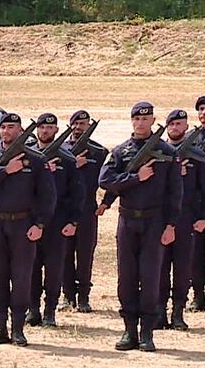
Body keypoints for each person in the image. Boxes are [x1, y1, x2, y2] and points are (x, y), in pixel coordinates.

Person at [99, 101, 182, 352]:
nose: (140, 123)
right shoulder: (122, 151)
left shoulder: (166, 152)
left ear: (152, 120)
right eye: (136, 119)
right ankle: (129, 331)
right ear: (131, 121)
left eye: (145, 119)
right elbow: (106, 180)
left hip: (155, 220)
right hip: (128, 219)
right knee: (126, 276)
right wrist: (135, 178)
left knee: (150, 275)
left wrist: (171, 225)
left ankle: (147, 332)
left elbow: (175, 192)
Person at [0, 112, 56, 347]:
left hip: (23, 224)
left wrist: (40, 224)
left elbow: (48, 196)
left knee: (21, 276)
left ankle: (18, 327)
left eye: (12, 127)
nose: (7, 131)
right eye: (4, 127)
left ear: (21, 131)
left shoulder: (36, 159)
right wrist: (5, 170)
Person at [27, 113, 84, 328]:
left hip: (57, 221)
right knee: (31, 267)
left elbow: (77, 192)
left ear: (57, 131)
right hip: (31, 219)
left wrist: (74, 221)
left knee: (54, 268)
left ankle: (50, 310)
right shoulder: (28, 154)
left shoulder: (67, 159)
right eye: (42, 128)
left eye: (50, 128)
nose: (45, 131)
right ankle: (32, 309)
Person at [157, 109, 205, 330]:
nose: (176, 128)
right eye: (172, 124)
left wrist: (203, 217)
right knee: (159, 265)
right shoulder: (158, 152)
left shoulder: (196, 155)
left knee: (183, 266)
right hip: (160, 216)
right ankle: (159, 311)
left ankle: (178, 311)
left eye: (180, 124)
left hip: (187, 217)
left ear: (187, 127)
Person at [61, 109, 112, 312]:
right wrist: (74, 164)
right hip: (64, 210)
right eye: (75, 123)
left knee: (85, 254)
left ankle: (83, 297)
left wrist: (106, 202)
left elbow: (110, 178)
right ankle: (67, 295)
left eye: (83, 124)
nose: (78, 127)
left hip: (87, 210)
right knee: (64, 254)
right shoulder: (62, 150)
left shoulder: (99, 152)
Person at [190, 95, 205, 311]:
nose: (203, 113)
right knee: (195, 256)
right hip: (197, 206)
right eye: (201, 108)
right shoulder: (191, 140)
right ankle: (198, 295)